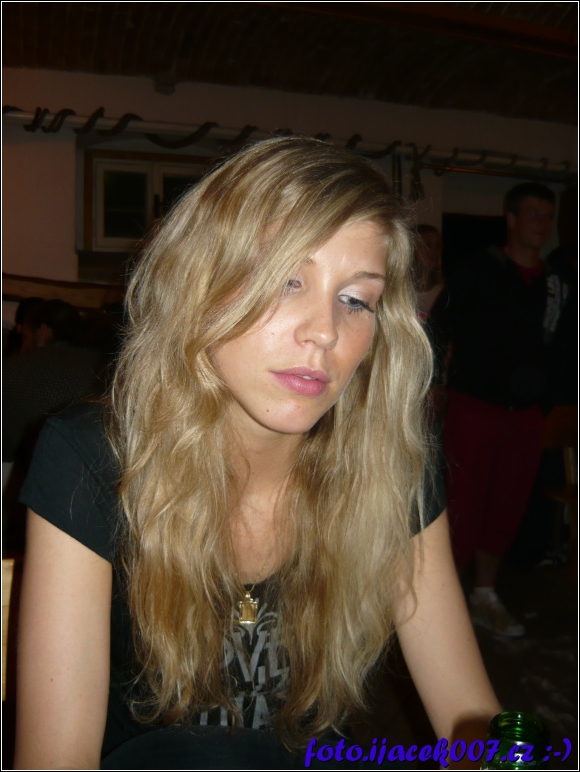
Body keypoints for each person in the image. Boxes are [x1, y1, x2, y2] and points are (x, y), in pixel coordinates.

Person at [15, 137, 500, 770]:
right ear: (199, 285)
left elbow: (470, 720)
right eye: (286, 280)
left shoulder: (394, 461)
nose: (323, 331)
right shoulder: (92, 458)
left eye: (356, 299)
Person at [443, 182, 567, 637]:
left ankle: (484, 596)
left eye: (548, 215)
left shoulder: (555, 283)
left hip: (525, 417)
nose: (542, 224)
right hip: (475, 408)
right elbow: (446, 329)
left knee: (506, 506)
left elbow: (559, 348)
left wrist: (545, 403)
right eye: (533, 213)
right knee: (462, 505)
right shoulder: (480, 269)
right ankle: (444, 607)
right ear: (511, 219)